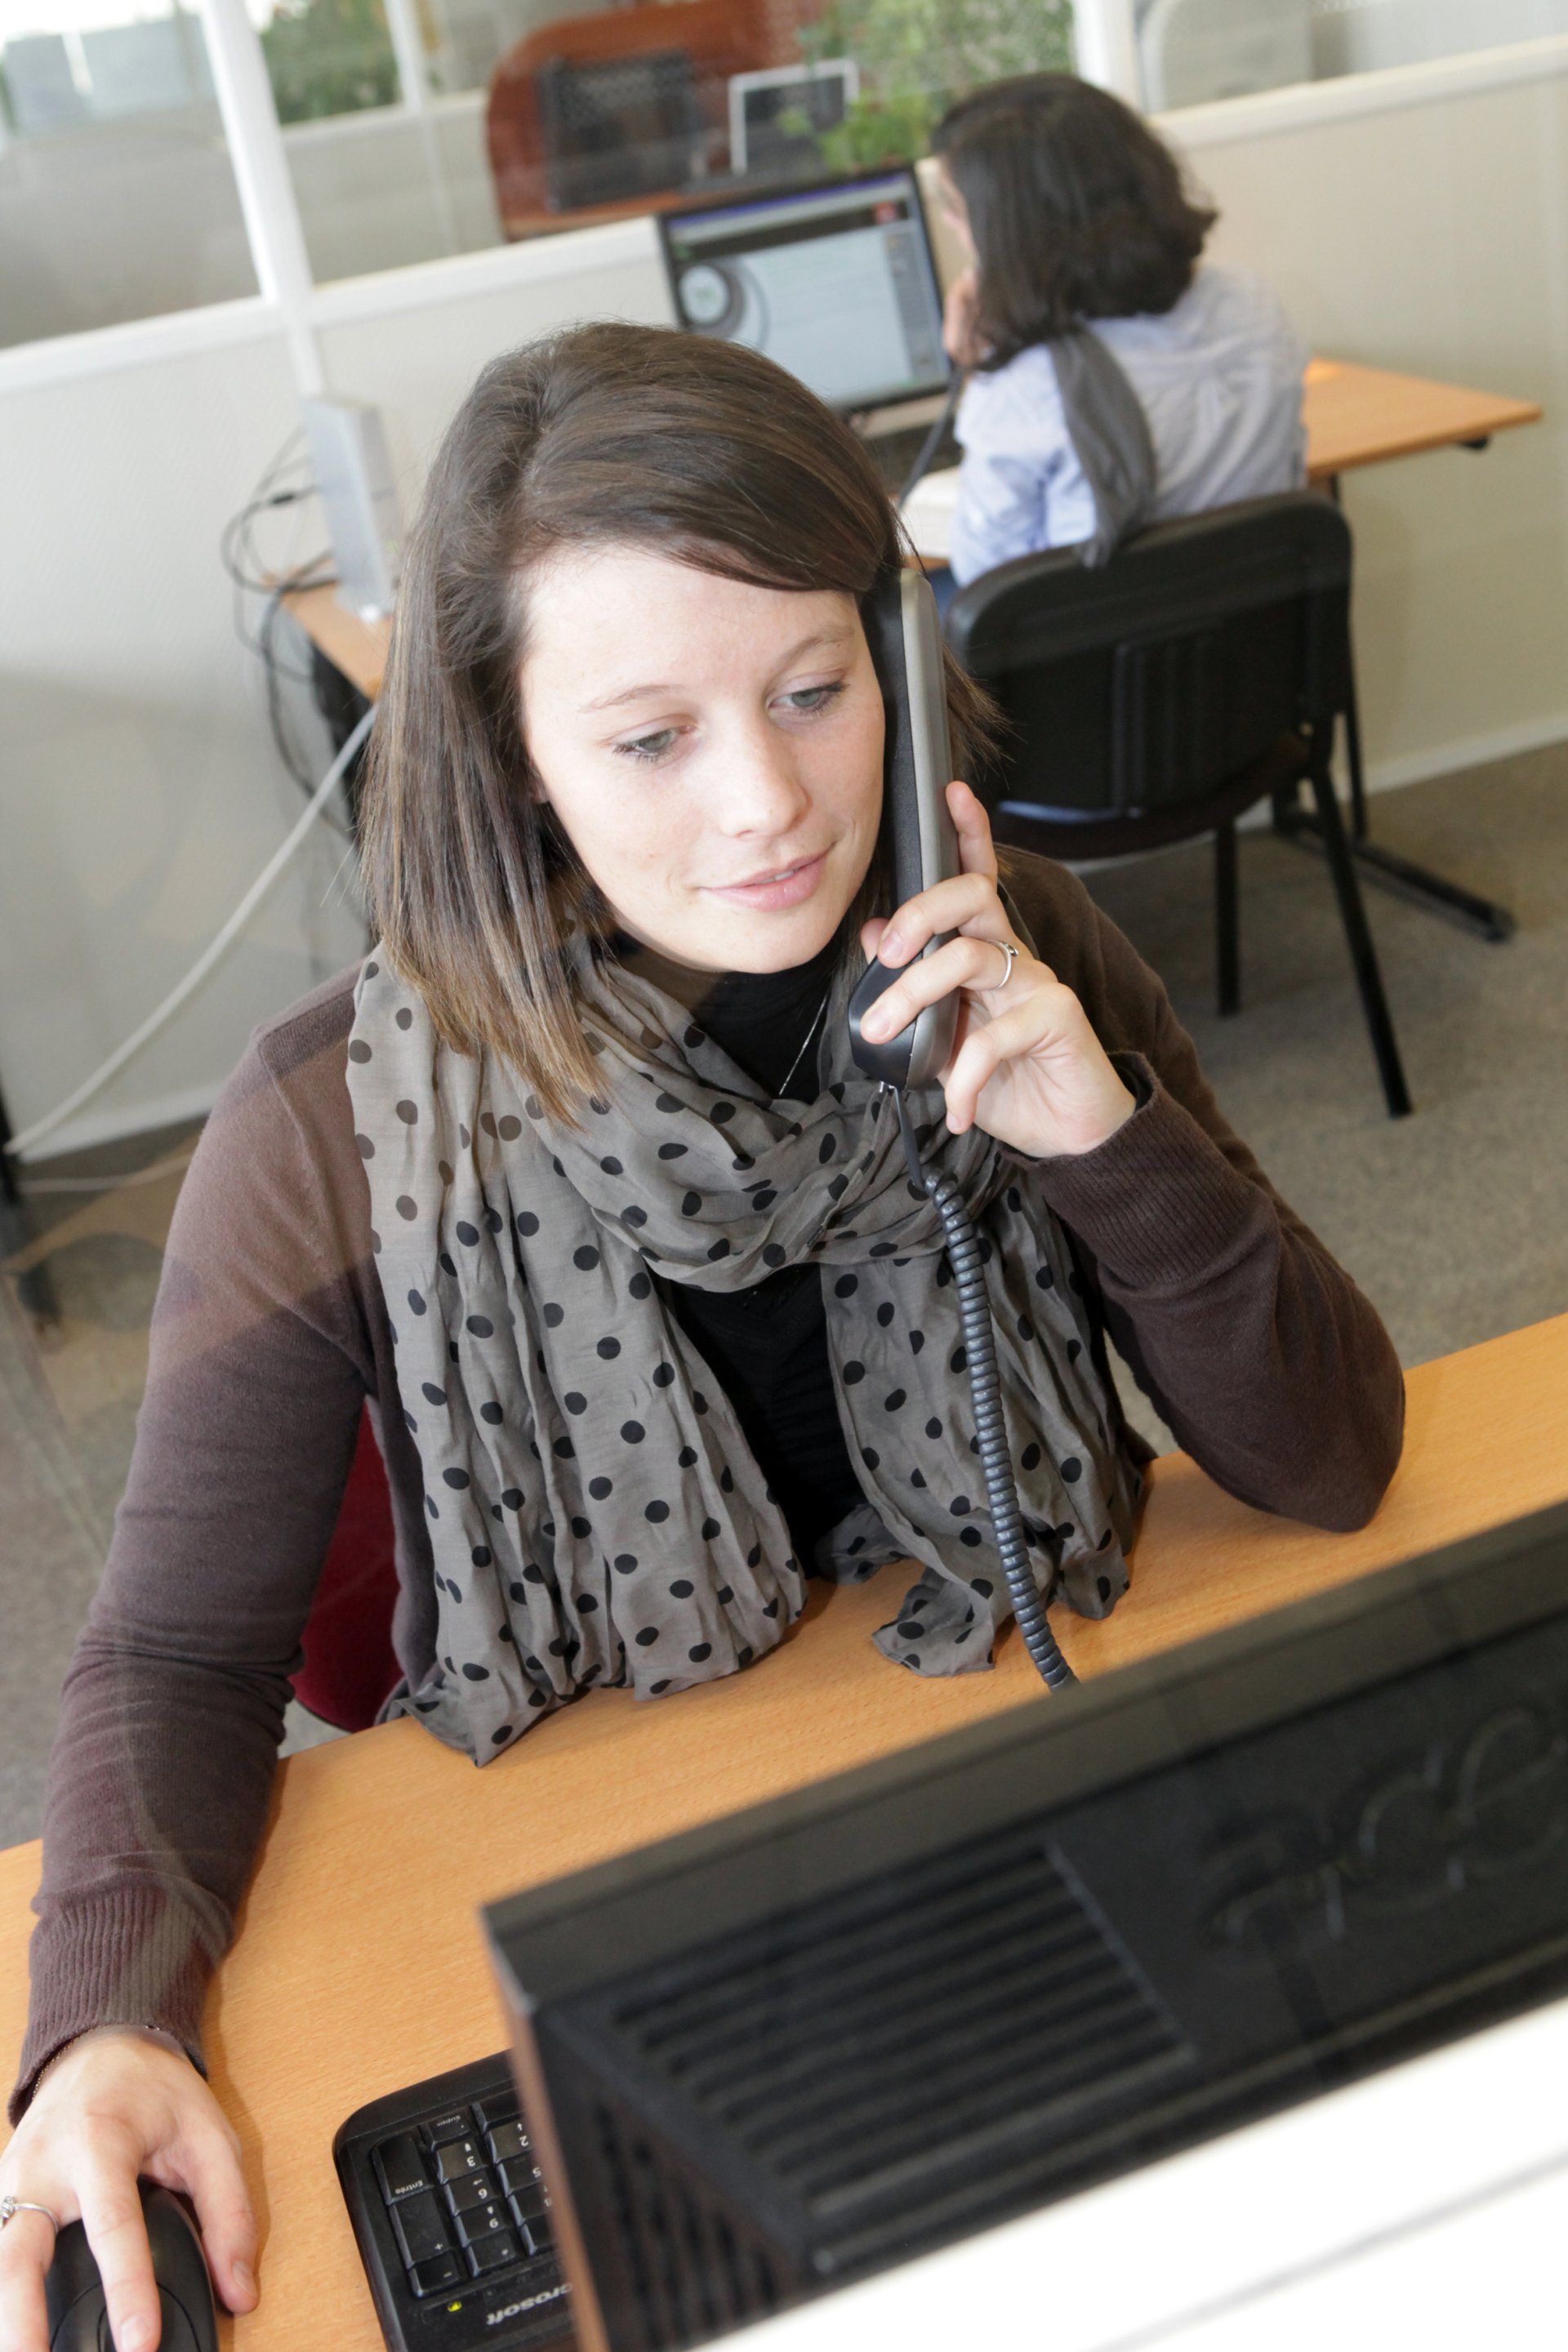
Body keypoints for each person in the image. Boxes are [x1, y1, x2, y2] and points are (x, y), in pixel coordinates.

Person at [0, 323, 1401, 2352]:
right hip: (623, 1883)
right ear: (510, 754)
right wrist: (95, 2027)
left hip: (996, 1809)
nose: (768, 803)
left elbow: (1334, 1458)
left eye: (818, 690)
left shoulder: (1012, 955)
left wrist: (1102, 1132)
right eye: (650, 736)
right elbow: (176, 1649)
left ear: (897, 672)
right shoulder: (331, 1125)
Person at [930, 74, 1308, 585]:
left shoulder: (1029, 385)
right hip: (1257, 635)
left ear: (1016, 230)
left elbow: (985, 574)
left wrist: (980, 373)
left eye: (958, 210)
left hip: (1095, 655)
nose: (954, 228)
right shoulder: (1252, 304)